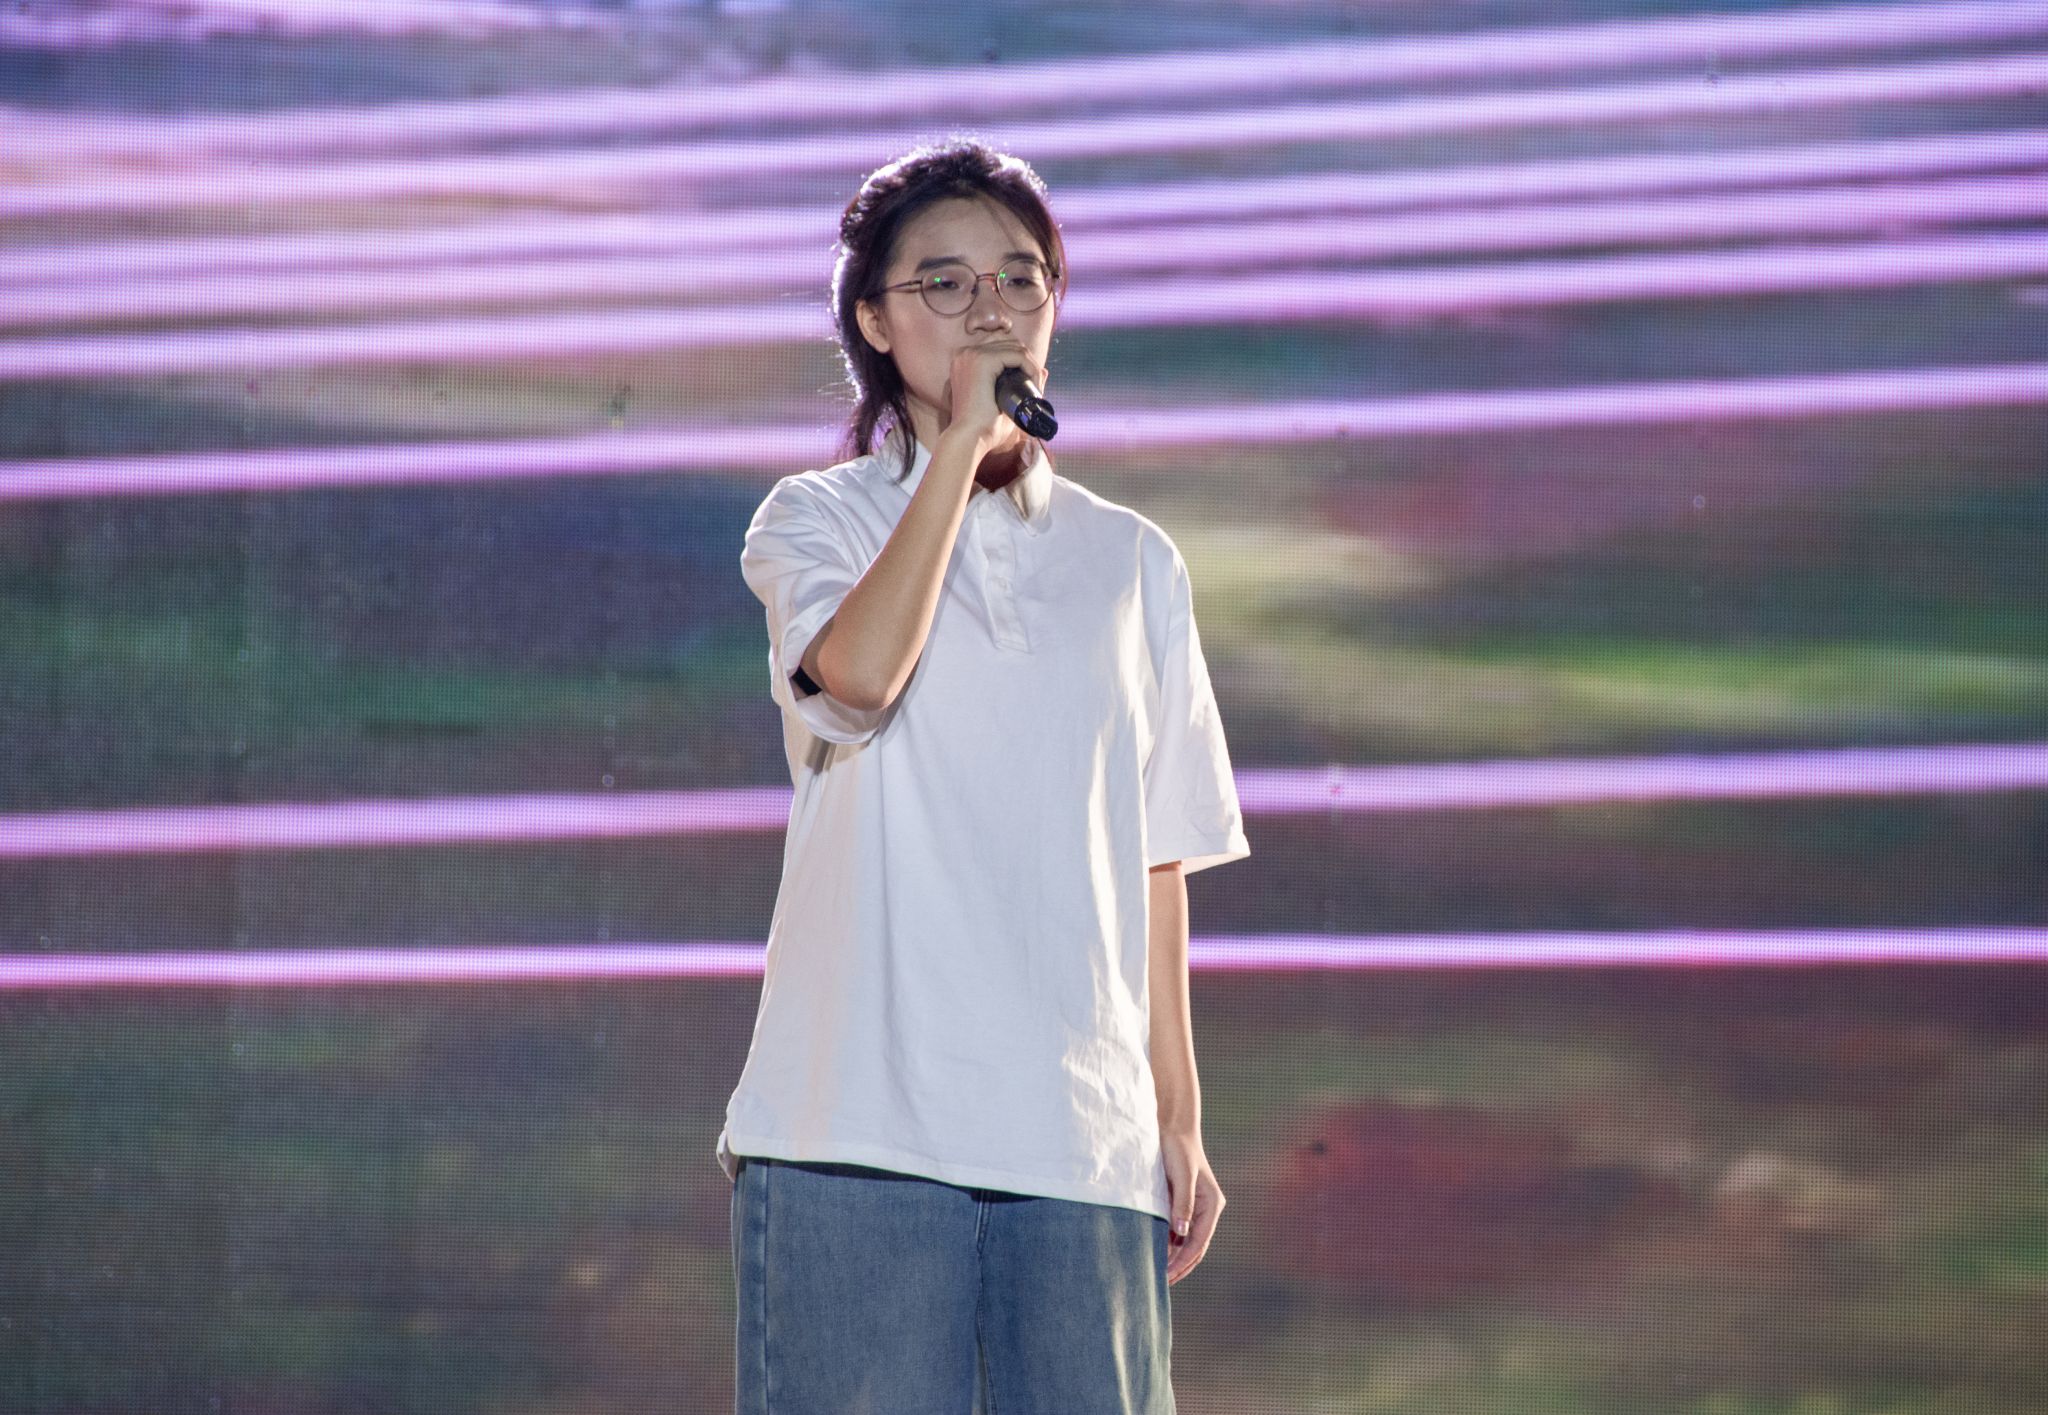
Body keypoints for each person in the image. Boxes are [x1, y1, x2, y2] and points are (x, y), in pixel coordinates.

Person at [717, 137, 1251, 1415]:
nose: (990, 310)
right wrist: (958, 449)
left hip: (1079, 1147)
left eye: (1019, 279)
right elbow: (857, 680)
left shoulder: (1131, 560)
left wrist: (1175, 1117)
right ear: (873, 320)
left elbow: (1154, 853)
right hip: (853, 1125)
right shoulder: (815, 517)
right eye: (944, 285)